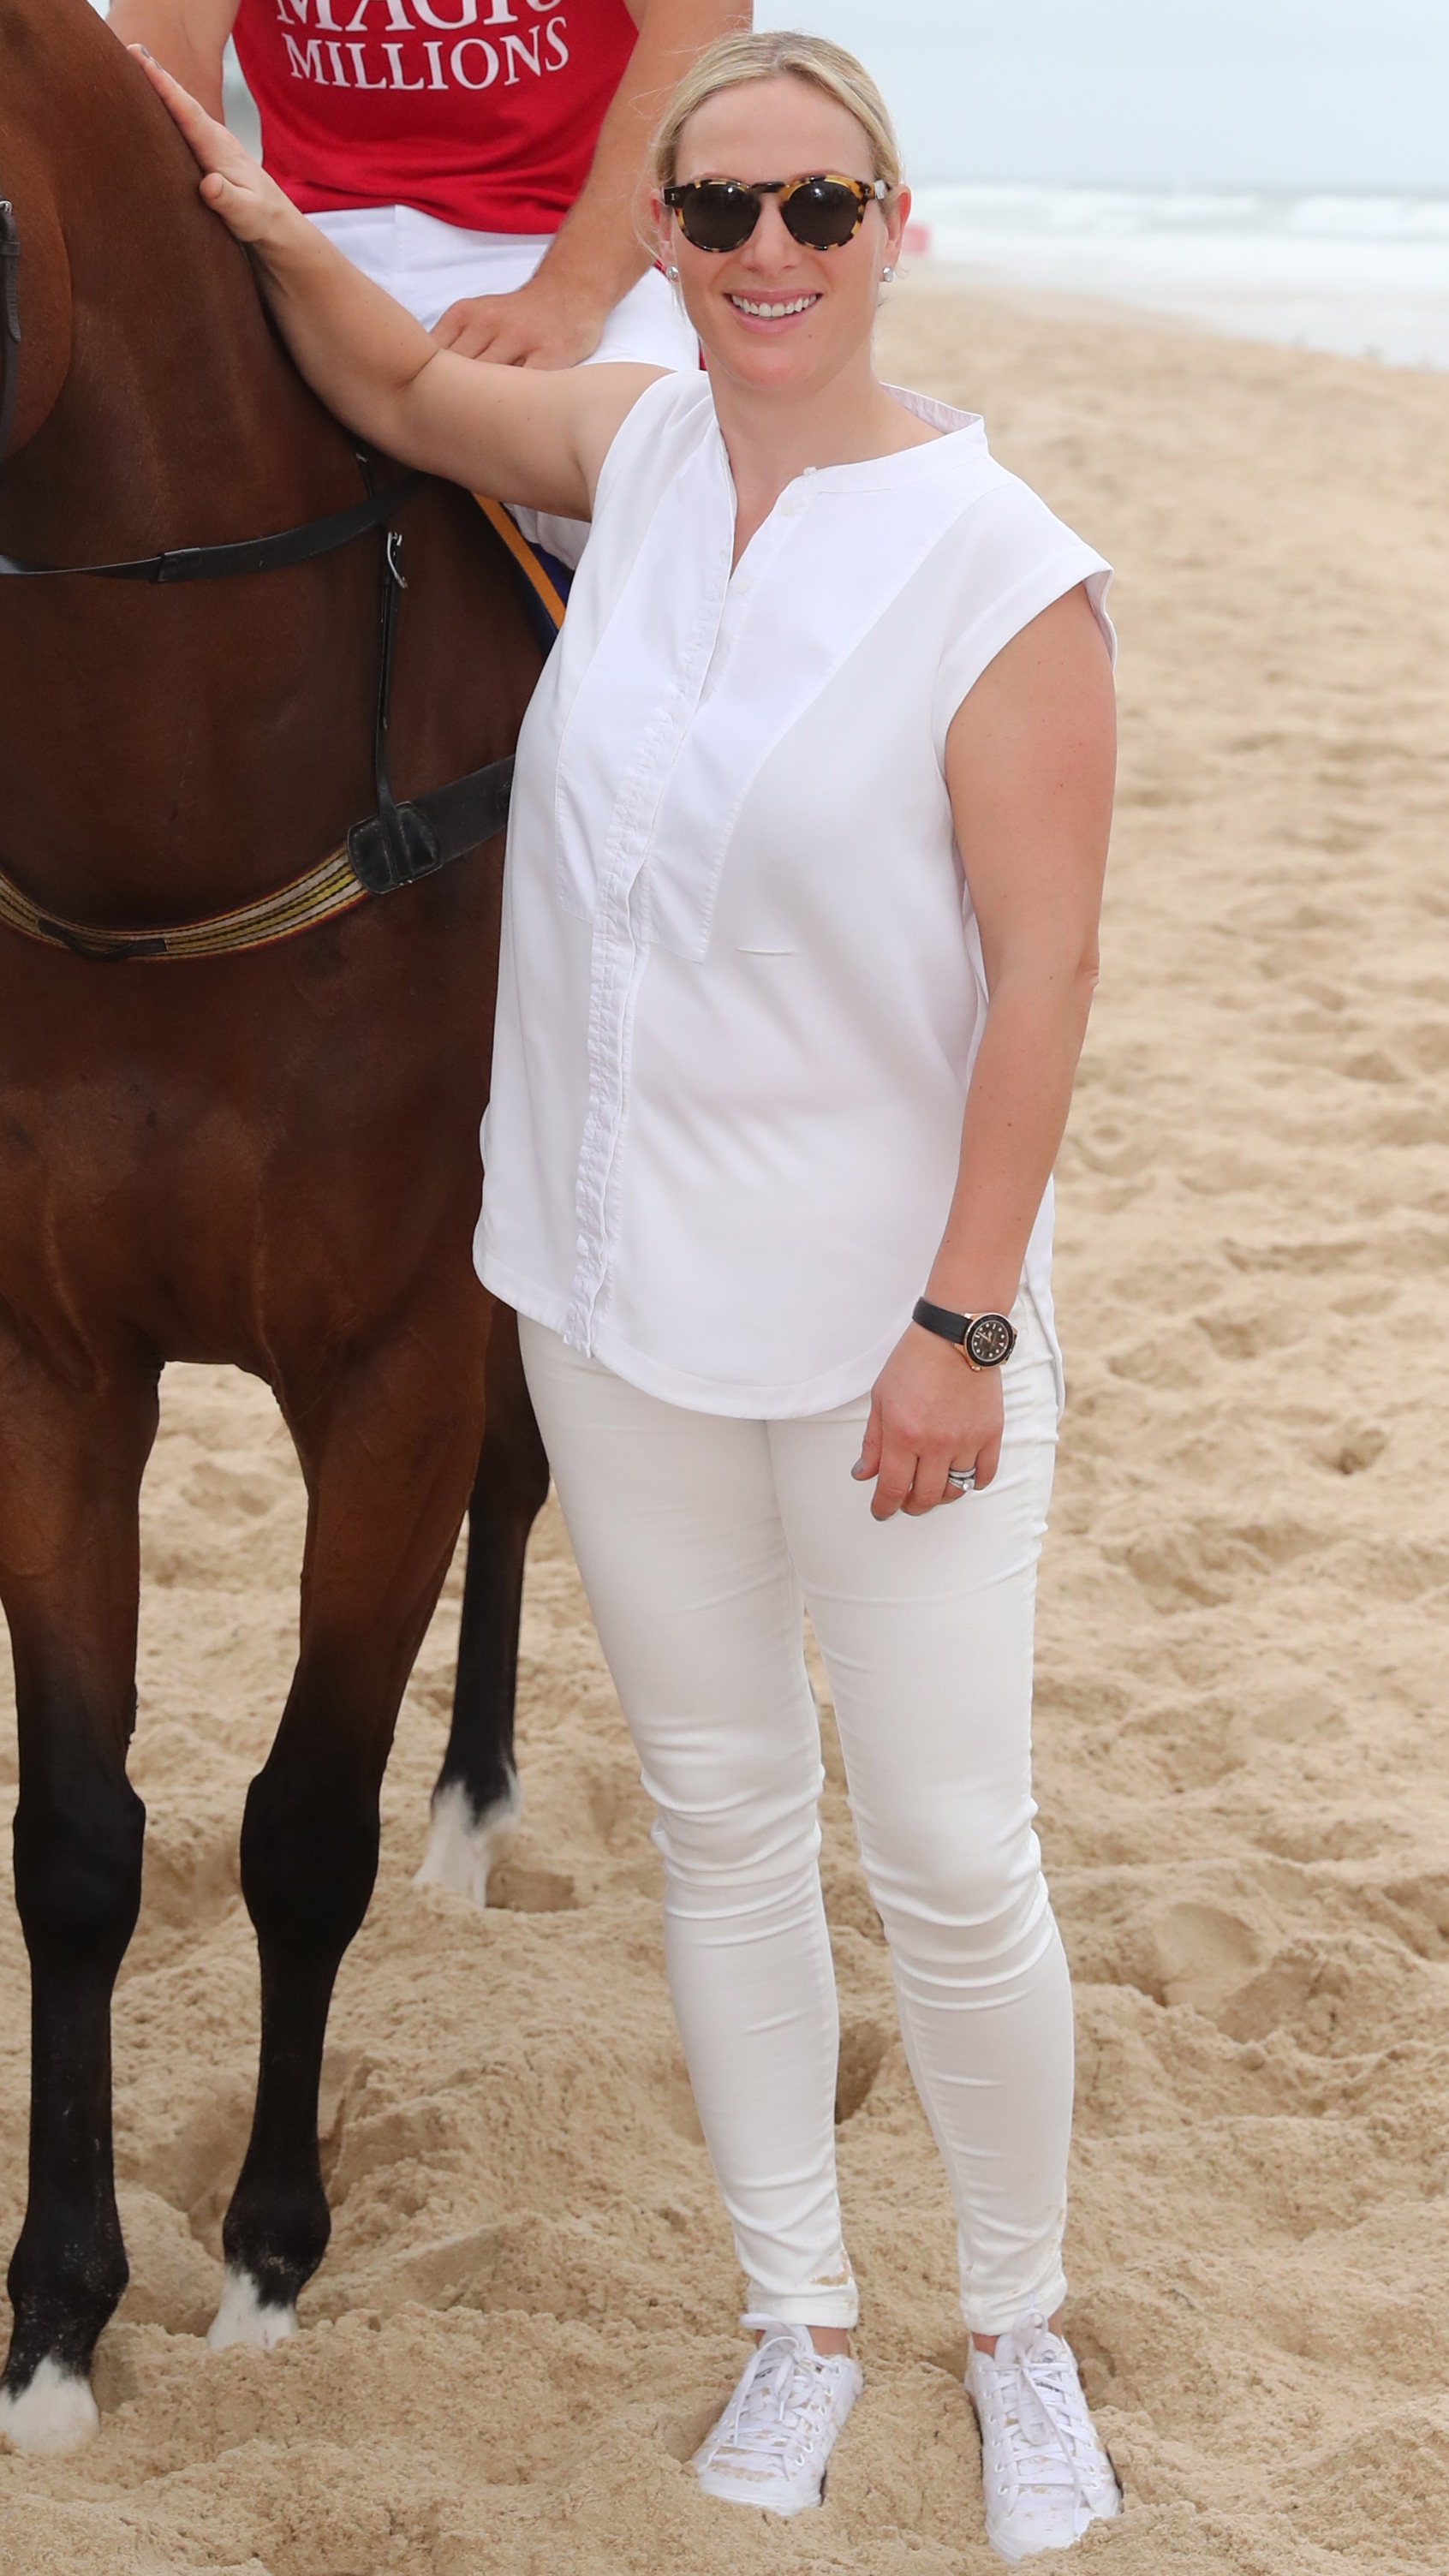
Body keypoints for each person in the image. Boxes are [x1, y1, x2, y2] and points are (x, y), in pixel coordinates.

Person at [140, 27, 1122, 2560]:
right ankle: (794, 2313)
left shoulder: (999, 564)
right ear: (666, 241)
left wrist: (968, 1321)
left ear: (896, 228)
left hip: (894, 1324)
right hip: (606, 1297)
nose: (767, 259)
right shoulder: (644, 452)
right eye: (721, 217)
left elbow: (1042, 981)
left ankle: (1012, 2321)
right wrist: (244, 208)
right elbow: (382, 369)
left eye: (818, 212)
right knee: (717, 1827)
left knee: (946, 1852)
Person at [110, 0, 744, 558]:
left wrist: (570, 294)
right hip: (301, 243)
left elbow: (699, 37)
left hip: (568, 251)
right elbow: (160, 54)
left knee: (663, 497)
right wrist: (210, 286)